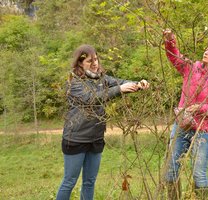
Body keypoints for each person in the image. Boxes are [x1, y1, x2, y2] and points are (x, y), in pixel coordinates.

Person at [56, 44, 150, 200]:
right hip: (76, 138)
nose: (95, 64)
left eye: (96, 59)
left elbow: (120, 82)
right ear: (79, 63)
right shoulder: (74, 81)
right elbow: (90, 98)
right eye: (89, 61)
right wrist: (120, 89)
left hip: (96, 138)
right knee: (69, 181)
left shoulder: (101, 78)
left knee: (90, 181)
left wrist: (138, 84)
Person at [163, 29, 208, 200]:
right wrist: (170, 39)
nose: (206, 51)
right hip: (182, 125)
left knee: (198, 174)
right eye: (206, 49)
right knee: (170, 170)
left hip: (205, 130)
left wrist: (201, 108)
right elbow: (174, 57)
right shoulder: (192, 68)